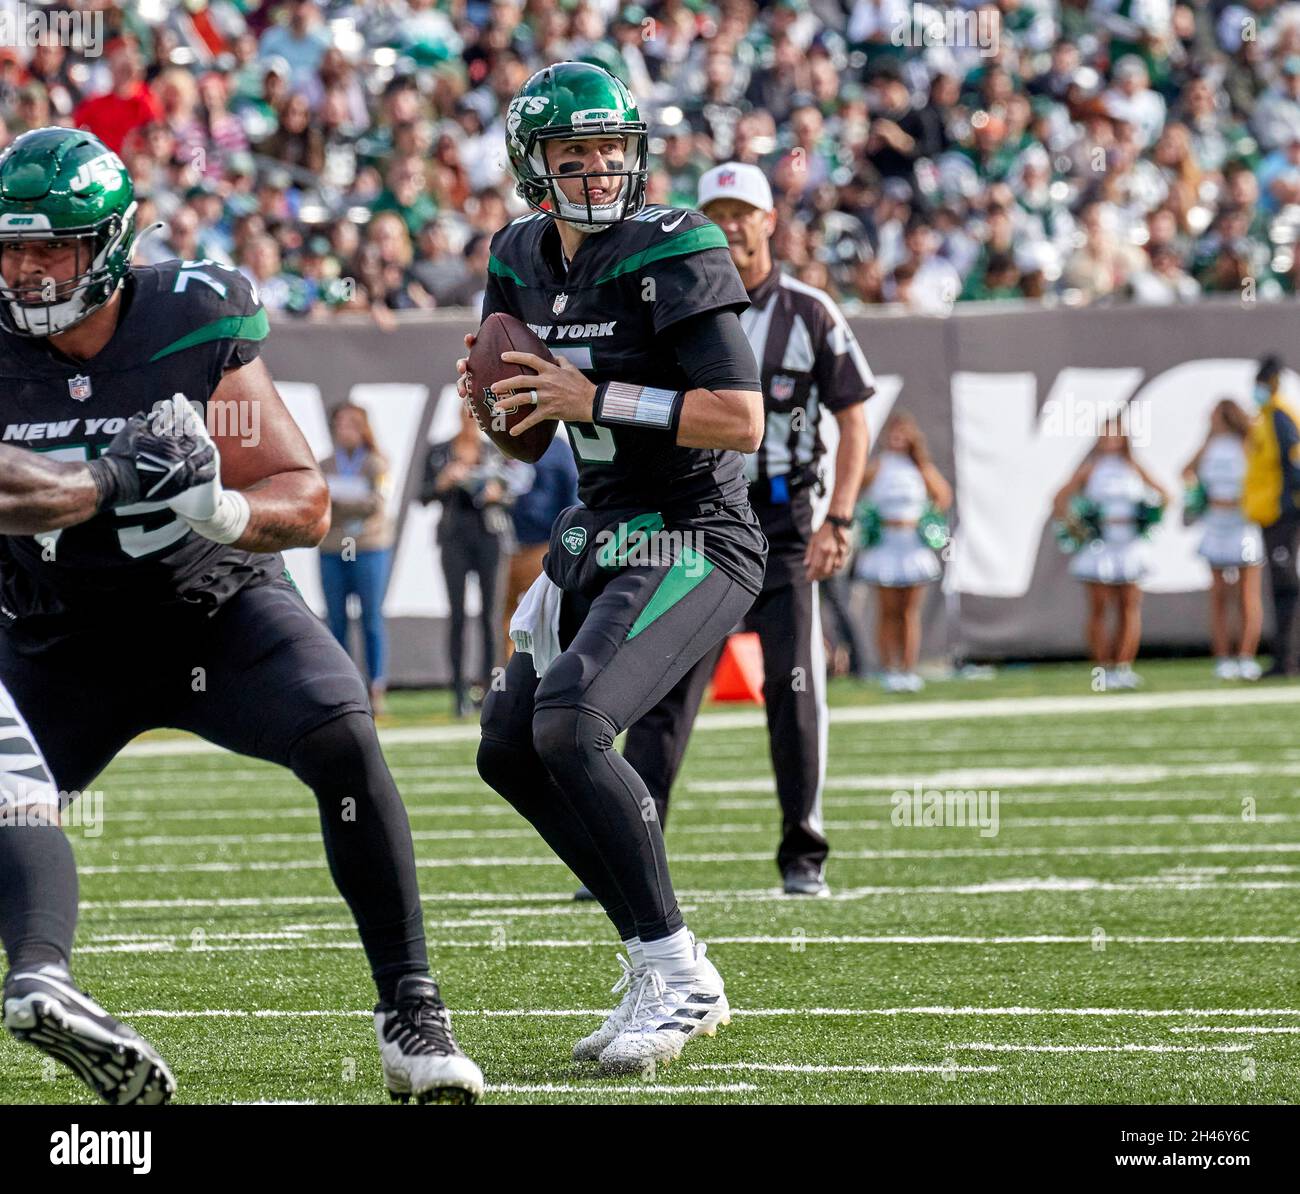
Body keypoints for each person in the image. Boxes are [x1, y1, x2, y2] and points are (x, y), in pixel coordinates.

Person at [0, 128, 481, 1106]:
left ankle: (410, 1008)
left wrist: (219, 507)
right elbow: (28, 496)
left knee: (345, 738)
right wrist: (107, 478)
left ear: (111, 246)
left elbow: (304, 501)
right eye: (12, 247)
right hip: (55, 634)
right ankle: (46, 982)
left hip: (209, 609)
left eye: (53, 246)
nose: (28, 268)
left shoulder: (190, 315)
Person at [463, 62, 766, 1075]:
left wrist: (596, 398)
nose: (597, 173)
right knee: (508, 747)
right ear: (532, 167)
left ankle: (679, 972)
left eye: (611, 153)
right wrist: (502, 408)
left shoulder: (675, 245)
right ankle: (651, 959)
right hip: (596, 529)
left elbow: (739, 417)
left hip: (692, 529)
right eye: (573, 156)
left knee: (573, 722)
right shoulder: (518, 255)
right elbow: (522, 430)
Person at [620, 161, 874, 900]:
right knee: (662, 689)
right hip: (698, 520)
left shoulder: (810, 310)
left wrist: (841, 515)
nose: (730, 225)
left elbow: (853, 416)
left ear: (769, 221)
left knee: (794, 691)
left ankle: (804, 851)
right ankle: (633, 846)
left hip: (783, 524)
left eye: (743, 212)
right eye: (717, 212)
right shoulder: (673, 307)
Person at [1053, 418, 1168, 690]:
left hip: (1129, 545)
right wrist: (1076, 526)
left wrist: (1145, 518)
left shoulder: (1133, 467)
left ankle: (1124, 666)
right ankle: (1102, 670)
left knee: (1129, 605)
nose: (1110, 439)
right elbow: (1058, 499)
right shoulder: (1090, 469)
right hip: (1099, 546)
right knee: (1099, 607)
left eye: (1115, 434)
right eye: (1105, 434)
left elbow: (1164, 495)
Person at [422, 406, 519, 718]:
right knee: (458, 615)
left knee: (491, 616)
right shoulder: (440, 451)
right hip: (454, 537)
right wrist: (444, 481)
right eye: (463, 414)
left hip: (489, 536)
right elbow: (422, 496)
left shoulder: (494, 449)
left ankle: (491, 691)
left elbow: (513, 492)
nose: (467, 419)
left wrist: (496, 492)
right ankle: (458, 693)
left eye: (471, 415)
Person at [855, 411, 952, 692]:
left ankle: (909, 668)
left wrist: (927, 520)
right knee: (887, 611)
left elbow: (943, 495)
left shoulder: (920, 468)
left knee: (909, 612)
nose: (898, 439)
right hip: (885, 543)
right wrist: (868, 518)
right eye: (894, 434)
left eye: (903, 434)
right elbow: (854, 489)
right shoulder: (878, 466)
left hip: (912, 545)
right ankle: (889, 669)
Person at [318, 403, 395, 714]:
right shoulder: (324, 464)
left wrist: (340, 502)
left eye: (351, 424)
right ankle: (343, 685)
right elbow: (317, 503)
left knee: (371, 618)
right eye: (339, 424)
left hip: (369, 547)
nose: (344, 430)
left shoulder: (377, 463)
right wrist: (351, 501)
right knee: (335, 620)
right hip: (332, 548)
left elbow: (377, 503)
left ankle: (376, 687)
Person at [1182, 399, 1264, 680]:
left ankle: (1245, 656)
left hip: (1243, 525)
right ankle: (1222, 657)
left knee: (1246, 595)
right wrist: (1200, 497)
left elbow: (1263, 474)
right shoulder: (1210, 446)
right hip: (1215, 525)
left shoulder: (1247, 443)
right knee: (1218, 595)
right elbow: (1187, 471)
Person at [1243, 355, 1300, 677]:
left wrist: (1292, 507)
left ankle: (1288, 659)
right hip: (1271, 514)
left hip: (1283, 515)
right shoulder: (1265, 415)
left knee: (1287, 588)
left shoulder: (1279, 415)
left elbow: (1294, 466)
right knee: (1283, 586)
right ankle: (1287, 657)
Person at [501, 433, 578, 660]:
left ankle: (542, 679)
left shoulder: (556, 448)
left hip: (541, 545)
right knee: (503, 622)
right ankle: (505, 682)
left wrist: (563, 543)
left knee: (545, 618)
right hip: (503, 547)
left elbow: (572, 493)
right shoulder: (496, 444)